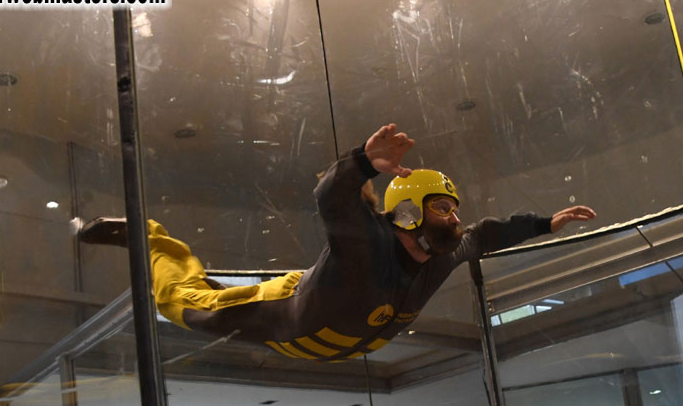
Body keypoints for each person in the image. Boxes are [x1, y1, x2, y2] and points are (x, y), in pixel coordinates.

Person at [76, 123, 596, 361]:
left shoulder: (445, 253)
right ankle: (150, 241)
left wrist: (543, 223)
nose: (454, 216)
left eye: (453, 207)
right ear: (409, 212)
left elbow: (484, 235)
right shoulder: (366, 245)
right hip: (283, 314)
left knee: (215, 293)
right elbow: (331, 198)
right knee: (186, 303)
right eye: (443, 205)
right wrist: (365, 163)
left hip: (328, 339)